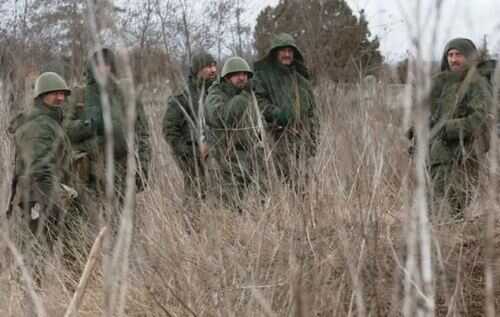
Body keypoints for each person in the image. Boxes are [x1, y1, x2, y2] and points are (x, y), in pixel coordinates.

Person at [409, 38, 493, 218]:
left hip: (462, 154)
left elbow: (480, 119)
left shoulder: (477, 83)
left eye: (458, 55)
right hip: (434, 154)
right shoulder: (440, 82)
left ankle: (453, 238)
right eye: (450, 55)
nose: (453, 59)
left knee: (453, 204)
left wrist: (448, 128)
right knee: (429, 202)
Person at [253, 33, 319, 189]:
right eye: (282, 50)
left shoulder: (302, 80)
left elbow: (313, 112)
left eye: (290, 50)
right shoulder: (263, 77)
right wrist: (276, 114)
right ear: (275, 52)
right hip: (276, 141)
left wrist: (314, 139)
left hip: (303, 142)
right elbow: (258, 103)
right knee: (283, 184)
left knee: (304, 186)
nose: (287, 54)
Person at [205, 57, 266, 210]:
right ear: (227, 77)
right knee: (229, 206)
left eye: (245, 74)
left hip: (249, 156)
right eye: (237, 74)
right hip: (225, 159)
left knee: (258, 202)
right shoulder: (215, 95)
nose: (242, 77)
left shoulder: (247, 94)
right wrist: (244, 97)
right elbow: (223, 118)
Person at [162, 51, 217, 201]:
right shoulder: (182, 96)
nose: (213, 70)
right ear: (198, 70)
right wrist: (189, 152)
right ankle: (191, 222)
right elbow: (169, 129)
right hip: (192, 155)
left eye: (214, 65)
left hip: (216, 152)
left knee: (218, 192)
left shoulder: (216, 92)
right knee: (196, 193)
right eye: (208, 66)